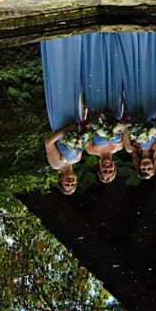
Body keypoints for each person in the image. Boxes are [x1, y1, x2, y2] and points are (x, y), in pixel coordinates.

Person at [41, 35, 86, 195]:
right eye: (73, 183)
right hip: (75, 118)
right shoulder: (78, 158)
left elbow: (48, 143)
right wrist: (84, 114)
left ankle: (55, 47)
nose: (70, 181)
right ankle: (72, 45)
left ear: (60, 180)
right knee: (73, 86)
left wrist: (65, 130)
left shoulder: (56, 164)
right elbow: (81, 134)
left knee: (60, 86)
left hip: (60, 120)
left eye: (67, 184)